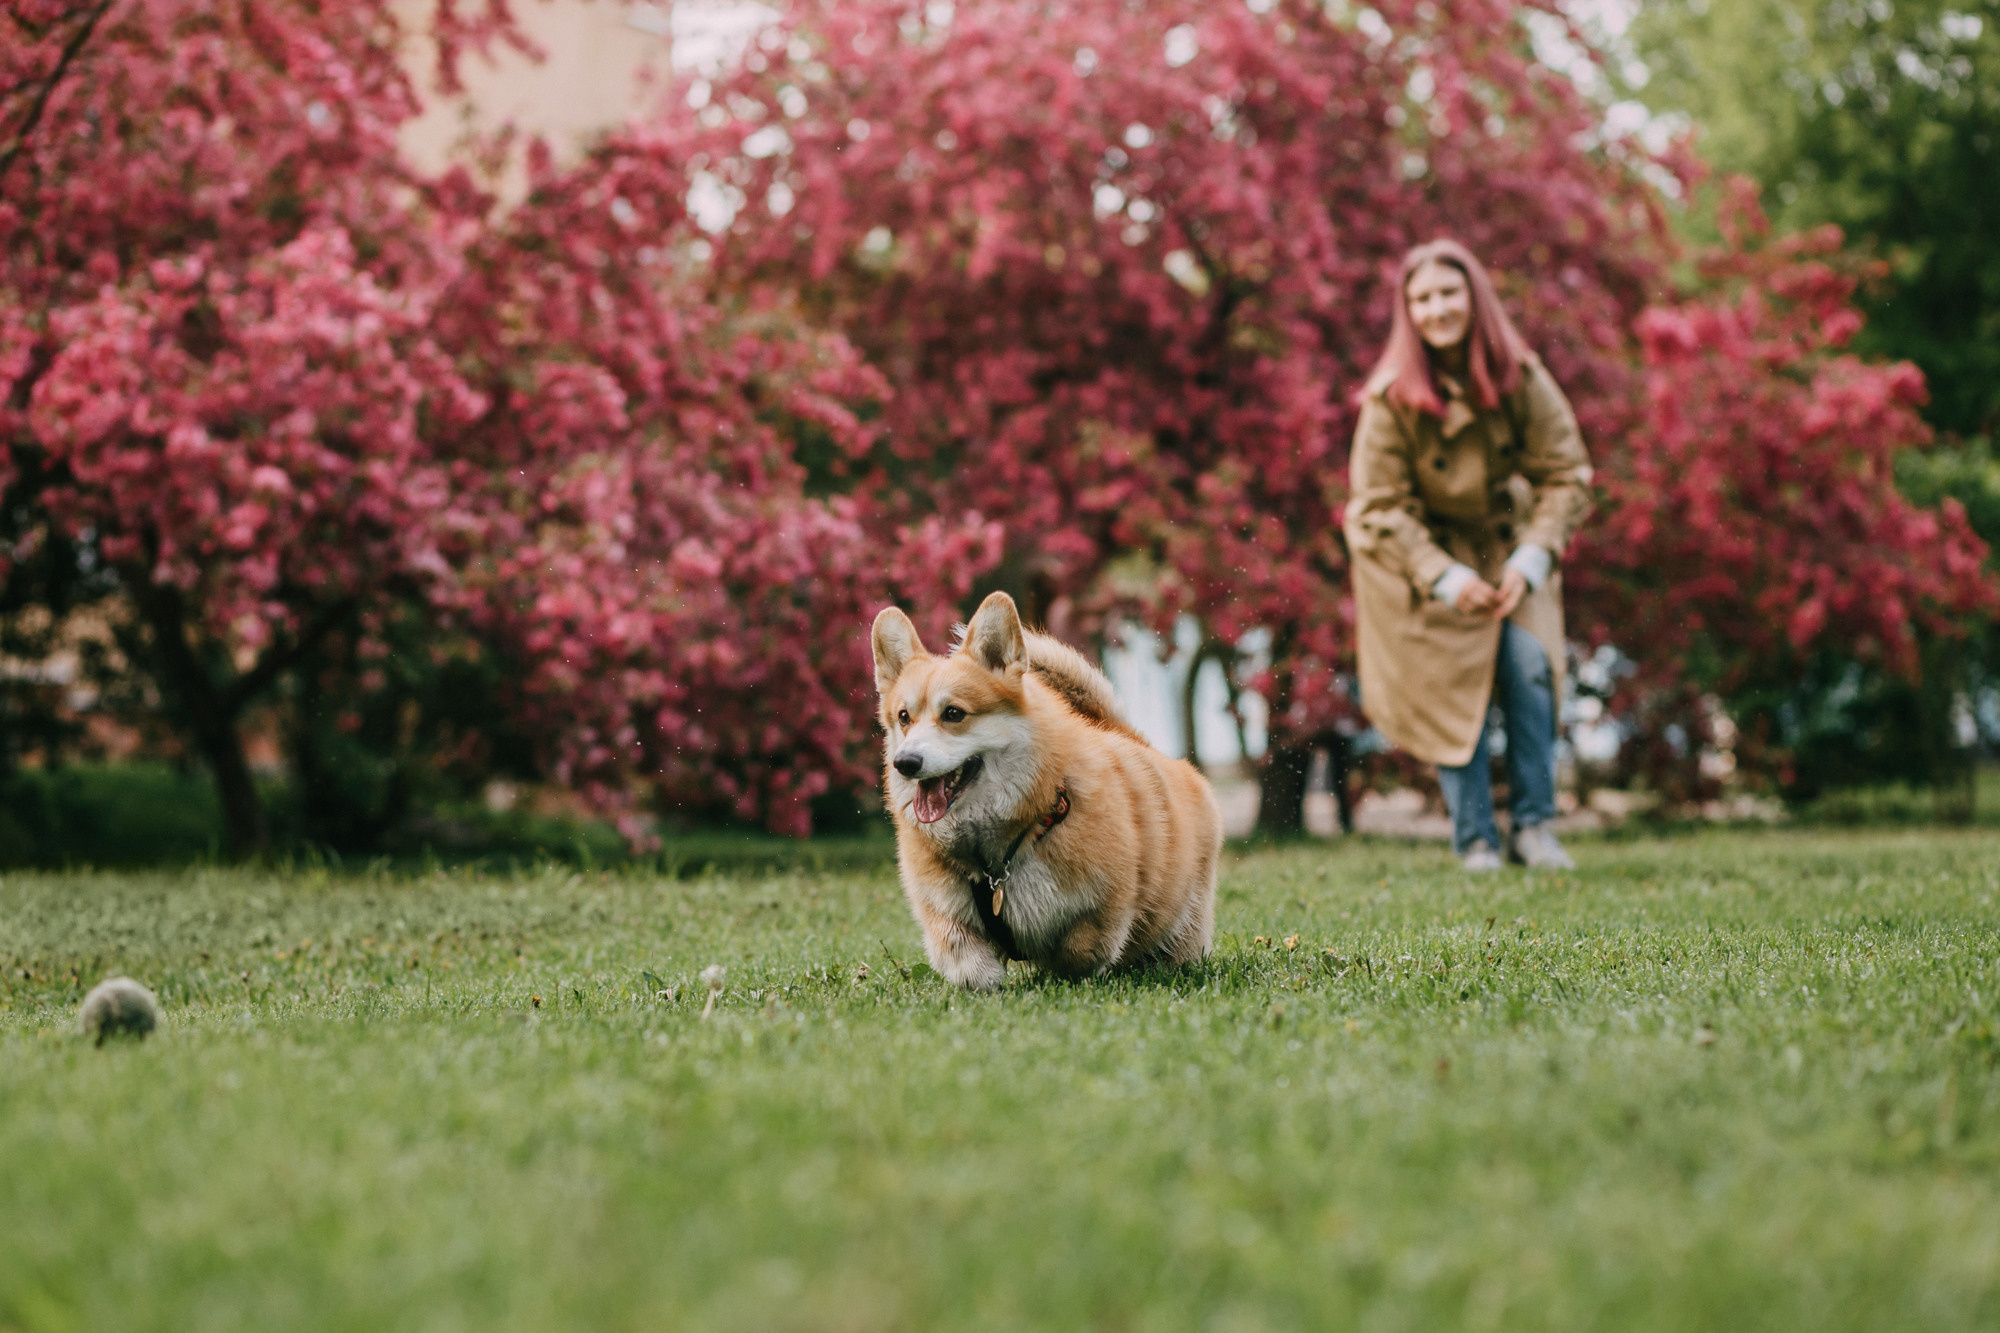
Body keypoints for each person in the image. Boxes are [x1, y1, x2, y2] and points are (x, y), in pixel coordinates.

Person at [1343, 240, 1594, 871]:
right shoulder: (1390, 399)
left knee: (1529, 666)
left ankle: (1535, 827)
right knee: (1457, 690)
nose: (1437, 308)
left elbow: (1568, 472)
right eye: (1422, 298)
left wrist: (1534, 556)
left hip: (1510, 549)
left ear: (1474, 297)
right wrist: (1445, 577)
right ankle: (1475, 839)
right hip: (1423, 563)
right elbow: (1376, 506)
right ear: (1408, 311)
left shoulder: (1521, 376)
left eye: (1448, 293)